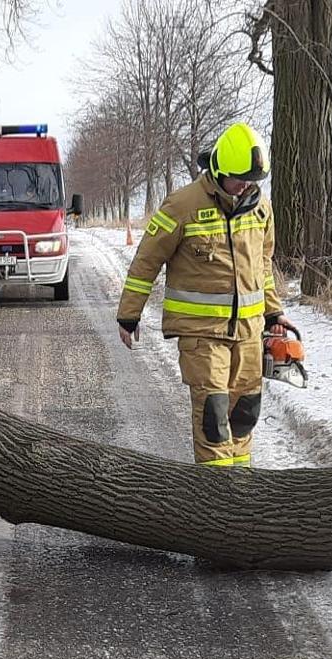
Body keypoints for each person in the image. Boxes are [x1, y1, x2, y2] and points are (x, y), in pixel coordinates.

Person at [115, 122, 294, 467]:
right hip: (201, 336)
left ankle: (240, 487)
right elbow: (146, 261)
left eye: (252, 180)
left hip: (248, 334)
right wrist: (129, 314)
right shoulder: (182, 205)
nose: (245, 186)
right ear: (218, 170)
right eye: (239, 179)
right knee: (214, 418)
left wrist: (274, 312)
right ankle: (215, 494)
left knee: (244, 414)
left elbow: (263, 265)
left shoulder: (261, 207)